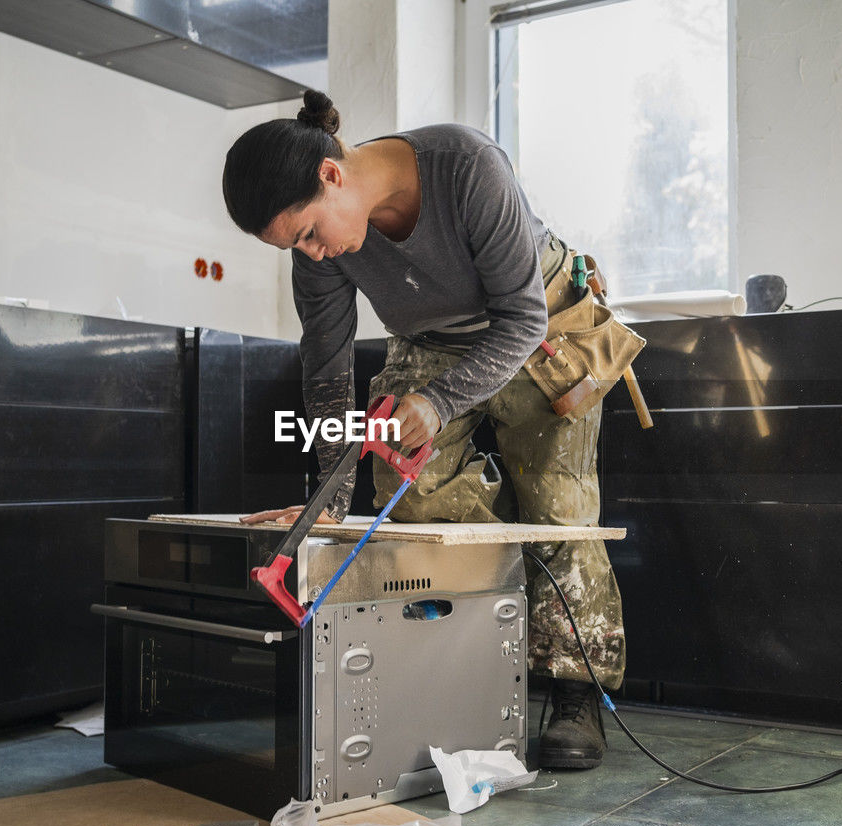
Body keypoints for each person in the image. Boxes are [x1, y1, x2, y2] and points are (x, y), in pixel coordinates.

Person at [222, 89, 625, 770]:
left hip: (539, 323)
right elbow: (327, 375)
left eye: (311, 233)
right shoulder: (319, 253)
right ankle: (486, 661)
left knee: (557, 504)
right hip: (431, 337)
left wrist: (437, 405)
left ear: (330, 174)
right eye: (298, 246)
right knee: (413, 495)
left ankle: (575, 687)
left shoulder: (465, 166)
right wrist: (333, 501)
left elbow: (521, 320)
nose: (315, 255)